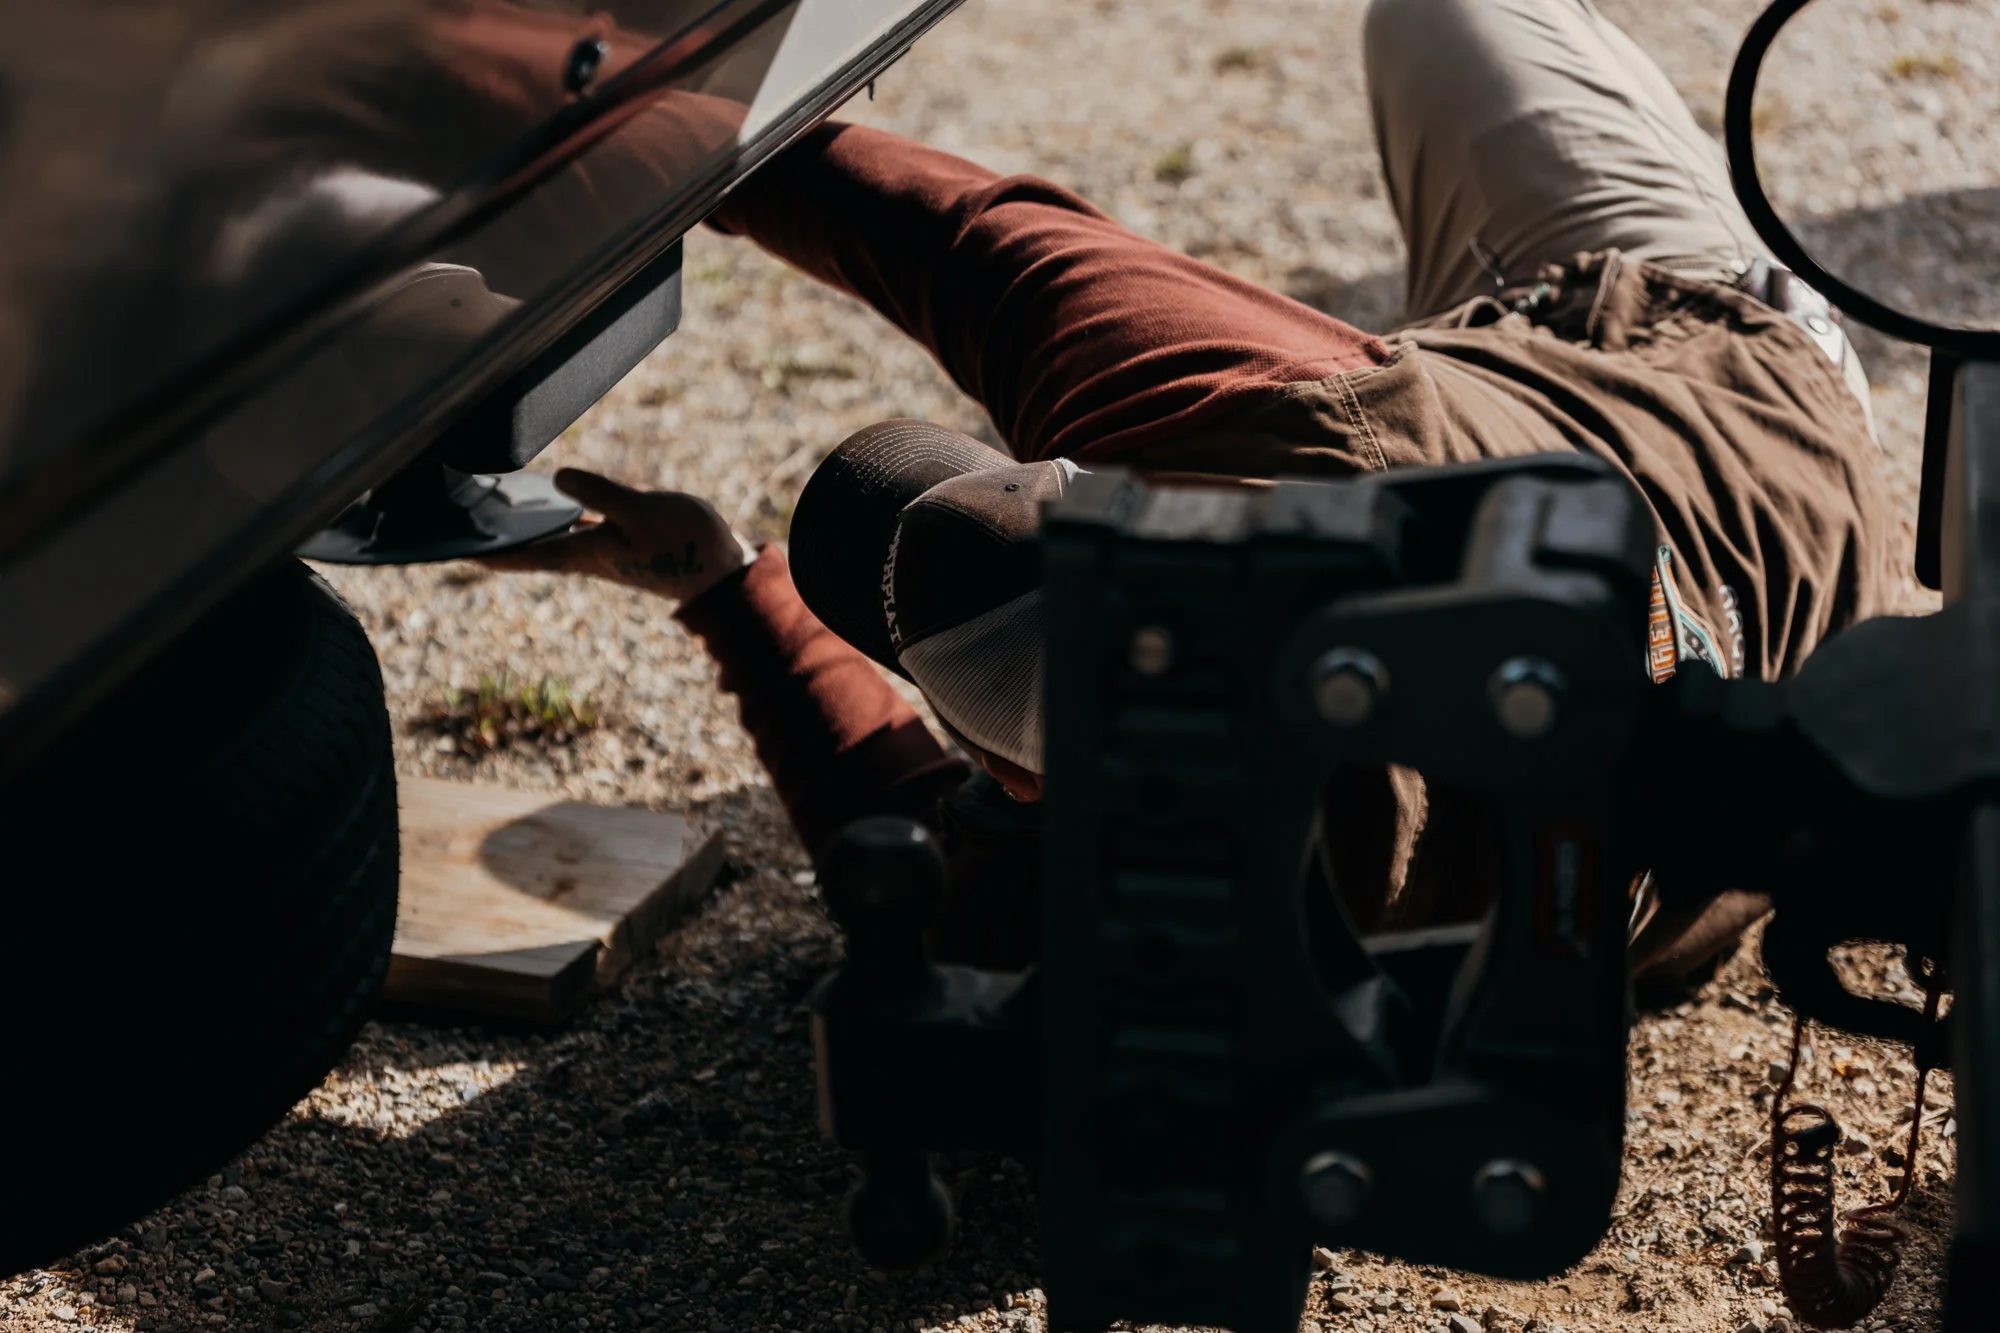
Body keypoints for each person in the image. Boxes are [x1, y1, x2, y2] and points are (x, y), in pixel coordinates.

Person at [483, 0, 1892, 988]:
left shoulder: (1105, 922)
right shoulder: (1238, 414)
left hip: (1712, 833)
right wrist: (608, 90)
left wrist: (729, 588)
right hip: (1736, 406)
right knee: (1437, 11)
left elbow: (892, 842)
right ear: (1090, 483)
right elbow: (967, 241)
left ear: (1015, 778)